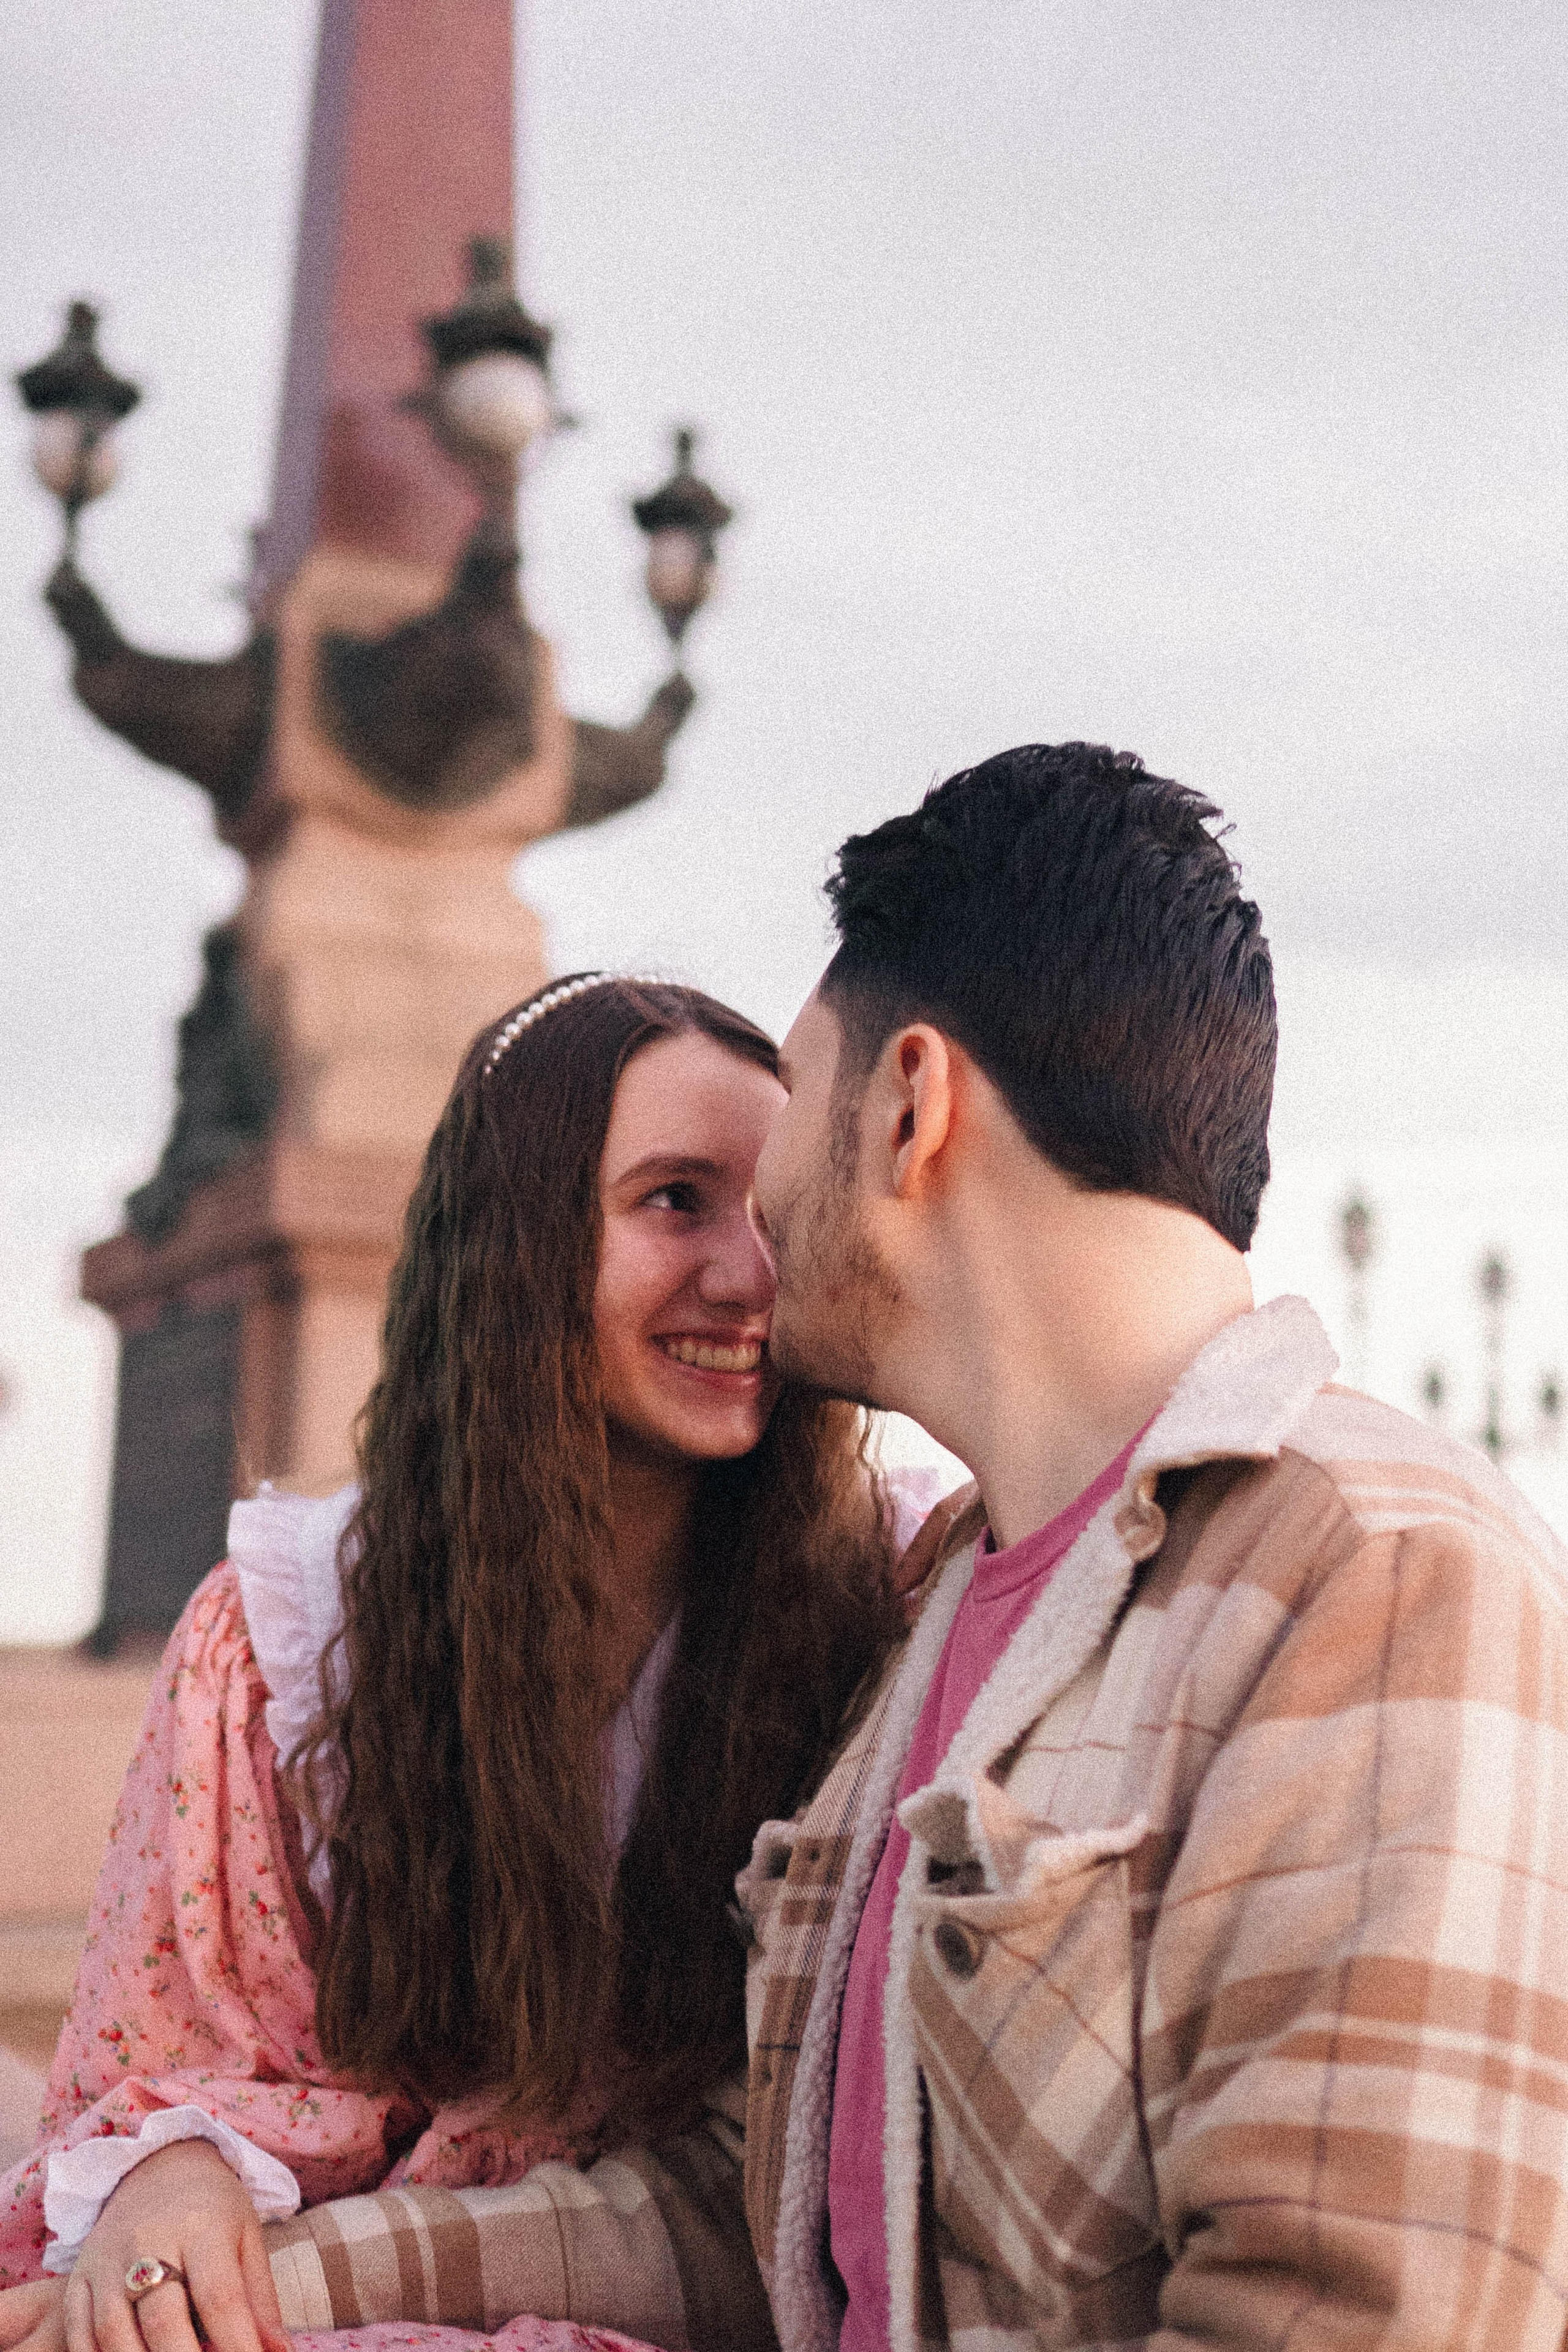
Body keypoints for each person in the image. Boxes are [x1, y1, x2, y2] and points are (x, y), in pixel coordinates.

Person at [730, 742, 1568, 2350]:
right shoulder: (938, 1606)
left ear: (910, 1103)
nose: (762, 1191)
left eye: (790, 1086)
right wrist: (245, 2258)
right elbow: (770, 2222)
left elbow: (1358, 2314)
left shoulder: (1383, 1575)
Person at [0, 974, 921, 2352]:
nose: (749, 1271)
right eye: (673, 1199)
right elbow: (185, 2038)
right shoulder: (290, 1634)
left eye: (772, 1203)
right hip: (335, 2281)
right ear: (518, 1244)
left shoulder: (892, 1598)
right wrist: (173, 2173)